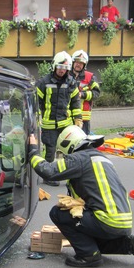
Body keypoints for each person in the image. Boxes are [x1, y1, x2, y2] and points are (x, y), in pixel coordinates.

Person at [28, 126, 134, 267]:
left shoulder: (79, 159)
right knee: (90, 240)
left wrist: (32, 151)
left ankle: (88, 256)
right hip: (123, 222)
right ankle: (131, 245)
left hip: (106, 221)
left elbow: (48, 171)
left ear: (70, 145)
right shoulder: (101, 158)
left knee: (57, 213)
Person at [36, 51, 83, 186]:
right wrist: (36, 118)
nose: (62, 71)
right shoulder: (44, 82)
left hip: (65, 124)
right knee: (50, 150)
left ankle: (69, 174)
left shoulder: (71, 82)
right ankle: (48, 176)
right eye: (60, 68)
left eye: (65, 69)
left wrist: (78, 118)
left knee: (70, 150)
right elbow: (36, 101)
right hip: (49, 124)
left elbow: (75, 101)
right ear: (55, 66)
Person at [71, 50, 100, 134]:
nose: (78, 64)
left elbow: (96, 93)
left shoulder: (90, 77)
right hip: (68, 117)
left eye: (81, 63)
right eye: (76, 61)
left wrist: (82, 95)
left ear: (84, 65)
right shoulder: (66, 76)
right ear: (73, 62)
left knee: (83, 142)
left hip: (84, 118)